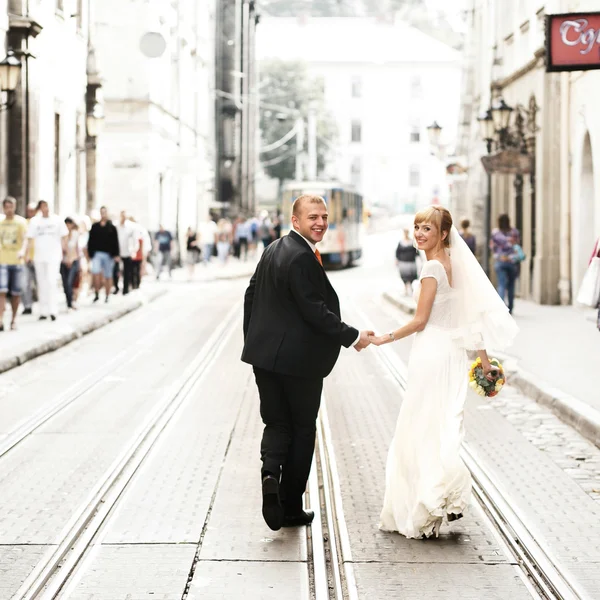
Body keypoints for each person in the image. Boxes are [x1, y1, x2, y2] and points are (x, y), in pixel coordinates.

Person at [369, 206, 518, 539]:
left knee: (419, 426)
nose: (421, 233)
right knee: (443, 426)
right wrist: (484, 360)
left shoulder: (433, 267)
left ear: (443, 233)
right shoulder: (456, 264)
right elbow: (472, 318)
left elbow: (420, 321)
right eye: (417, 227)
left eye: (428, 228)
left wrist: (384, 338)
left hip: (432, 352)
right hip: (453, 356)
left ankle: (426, 503)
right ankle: (439, 495)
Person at [242, 194, 373, 531]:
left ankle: (270, 474)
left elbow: (251, 294)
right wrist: (352, 336)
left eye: (324, 217)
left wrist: (255, 339)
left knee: (275, 423)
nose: (320, 223)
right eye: (313, 217)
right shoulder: (301, 257)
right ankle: (290, 505)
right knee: (301, 430)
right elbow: (314, 310)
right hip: (298, 364)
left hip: (265, 359)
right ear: (295, 221)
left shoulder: (273, 249)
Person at [21, 200, 68, 321]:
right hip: (39, 256)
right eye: (41, 207)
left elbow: (64, 236)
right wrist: (27, 254)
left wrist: (65, 251)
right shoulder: (35, 221)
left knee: (52, 282)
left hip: (53, 256)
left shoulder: (57, 220)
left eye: (45, 206)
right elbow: (30, 238)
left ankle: (53, 310)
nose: (44, 208)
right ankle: (43, 311)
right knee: (41, 283)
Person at [0, 197, 28, 330]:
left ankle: (13, 319)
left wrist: (23, 252)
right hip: (2, 260)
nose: (9, 210)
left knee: (16, 292)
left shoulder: (21, 222)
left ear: (14, 207)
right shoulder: (0, 222)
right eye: (6, 207)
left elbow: (25, 240)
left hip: (17, 261)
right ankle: (0, 319)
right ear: (3, 208)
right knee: (2, 291)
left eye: (11, 207)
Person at [87, 206, 120, 303]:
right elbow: (91, 241)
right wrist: (90, 253)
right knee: (96, 273)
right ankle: (96, 294)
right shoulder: (95, 226)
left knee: (108, 275)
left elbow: (115, 242)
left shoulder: (111, 227)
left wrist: (116, 254)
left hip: (108, 255)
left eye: (105, 212)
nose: (103, 214)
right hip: (97, 254)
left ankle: (107, 295)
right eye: (102, 212)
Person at [490, 214, 521, 314]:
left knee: (501, 284)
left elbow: (492, 247)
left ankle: (501, 307)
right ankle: (511, 307)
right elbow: (517, 245)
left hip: (500, 261)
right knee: (511, 285)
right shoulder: (514, 232)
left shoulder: (495, 233)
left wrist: (498, 255)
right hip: (512, 262)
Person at [60, 217, 81, 310]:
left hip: (73, 261)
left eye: (69, 224)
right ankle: (68, 302)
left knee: (70, 282)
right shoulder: (61, 236)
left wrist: (73, 260)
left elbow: (76, 249)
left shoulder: (75, 234)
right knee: (65, 283)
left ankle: (71, 302)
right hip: (63, 261)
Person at [21, 202, 38, 315]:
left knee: (40, 283)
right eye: (29, 211)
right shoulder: (24, 223)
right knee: (24, 283)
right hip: (26, 259)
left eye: (32, 211)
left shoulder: (40, 224)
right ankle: (27, 306)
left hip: (38, 257)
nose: (30, 213)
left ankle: (44, 307)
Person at [115, 211, 136, 295]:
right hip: (117, 252)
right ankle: (116, 287)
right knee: (116, 271)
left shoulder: (130, 227)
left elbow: (134, 240)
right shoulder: (116, 226)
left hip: (127, 252)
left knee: (126, 272)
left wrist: (133, 251)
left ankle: (125, 289)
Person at [395, 229, 419, 295]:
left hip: (411, 262)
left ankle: (410, 287)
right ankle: (405, 289)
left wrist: (419, 259)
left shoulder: (412, 242)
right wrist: (396, 260)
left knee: (411, 275)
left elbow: (416, 252)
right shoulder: (401, 242)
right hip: (403, 263)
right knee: (404, 276)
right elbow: (397, 252)